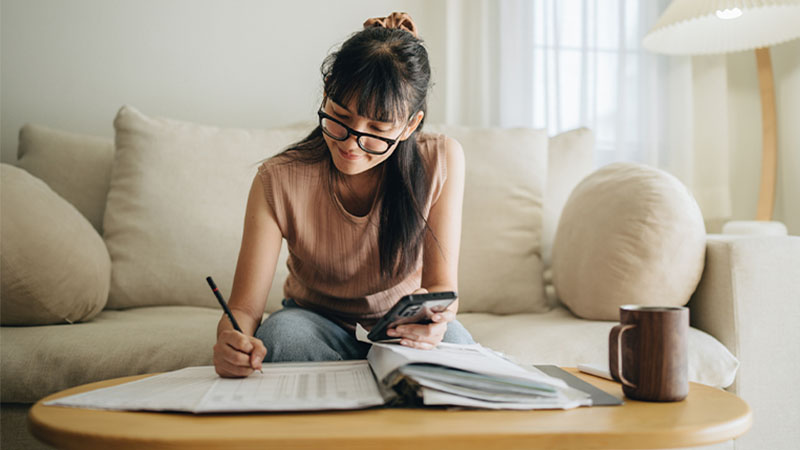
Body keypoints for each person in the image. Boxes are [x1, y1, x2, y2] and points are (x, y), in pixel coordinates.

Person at [213, 12, 474, 378]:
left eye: (377, 129)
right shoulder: (278, 179)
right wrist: (231, 337)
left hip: (401, 326)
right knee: (281, 339)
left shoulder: (440, 159)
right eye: (339, 117)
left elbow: (442, 288)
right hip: (313, 321)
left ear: (410, 125)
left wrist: (436, 322)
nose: (352, 144)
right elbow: (243, 309)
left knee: (461, 355)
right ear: (325, 92)